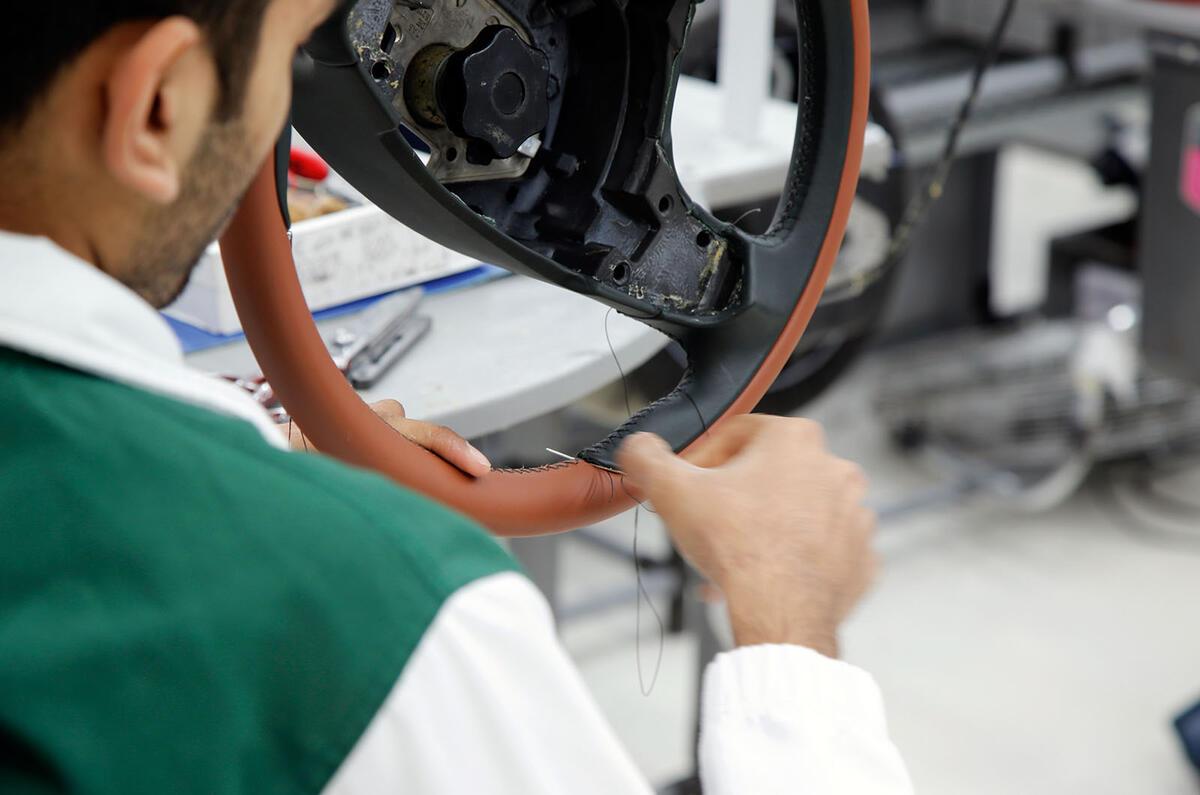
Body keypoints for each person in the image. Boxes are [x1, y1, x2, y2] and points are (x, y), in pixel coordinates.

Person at [0, 1, 913, 793]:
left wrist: (252, 474)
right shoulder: (386, 623)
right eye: (291, 48)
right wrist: (792, 626)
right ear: (155, 107)